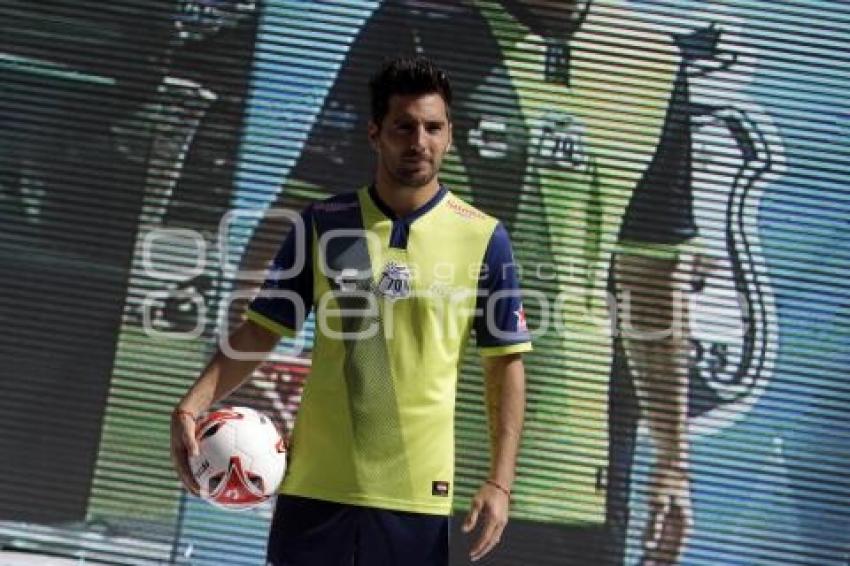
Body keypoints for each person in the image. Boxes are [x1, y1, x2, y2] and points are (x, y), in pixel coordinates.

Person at [235, 2, 700, 565]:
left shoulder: (653, 61)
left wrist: (673, 460)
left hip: (565, 481)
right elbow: (298, 220)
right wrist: (230, 385)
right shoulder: (418, 26)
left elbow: (651, 282)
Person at [171, 56, 532, 565]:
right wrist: (190, 404)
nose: (419, 142)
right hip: (315, 486)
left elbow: (505, 366)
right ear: (374, 133)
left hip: (417, 496)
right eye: (403, 127)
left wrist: (500, 481)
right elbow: (259, 332)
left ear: (450, 136)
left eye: (433, 127)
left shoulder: (483, 238)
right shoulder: (324, 224)